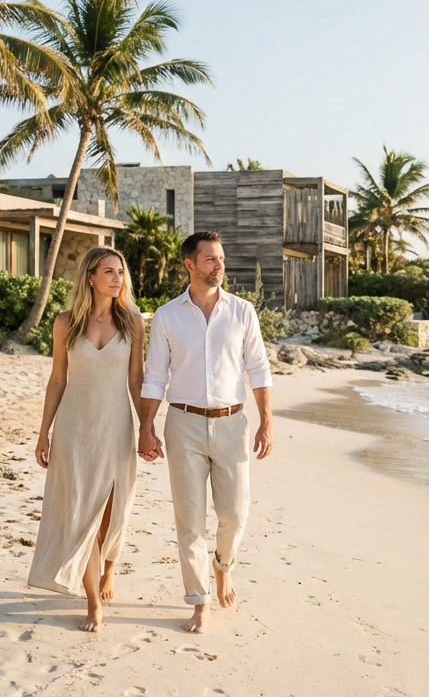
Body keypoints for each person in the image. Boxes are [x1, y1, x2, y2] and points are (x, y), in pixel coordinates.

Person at [138, 230, 274, 633]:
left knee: (235, 513)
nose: (219, 266)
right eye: (211, 259)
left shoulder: (243, 311)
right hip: (183, 424)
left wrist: (266, 421)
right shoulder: (166, 315)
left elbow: (259, 369)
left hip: (233, 423)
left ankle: (223, 566)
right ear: (190, 265)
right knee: (190, 520)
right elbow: (154, 378)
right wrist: (146, 428)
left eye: (221, 259)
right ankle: (199, 601)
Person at [28, 247, 144, 632]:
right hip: (74, 429)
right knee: (83, 513)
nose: (117, 278)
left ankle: (109, 569)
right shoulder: (66, 323)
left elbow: (136, 380)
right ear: (90, 276)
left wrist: (148, 427)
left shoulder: (131, 322)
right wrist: (43, 432)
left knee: (113, 511)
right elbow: (58, 379)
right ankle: (94, 602)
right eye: (109, 271)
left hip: (116, 427)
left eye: (121, 272)